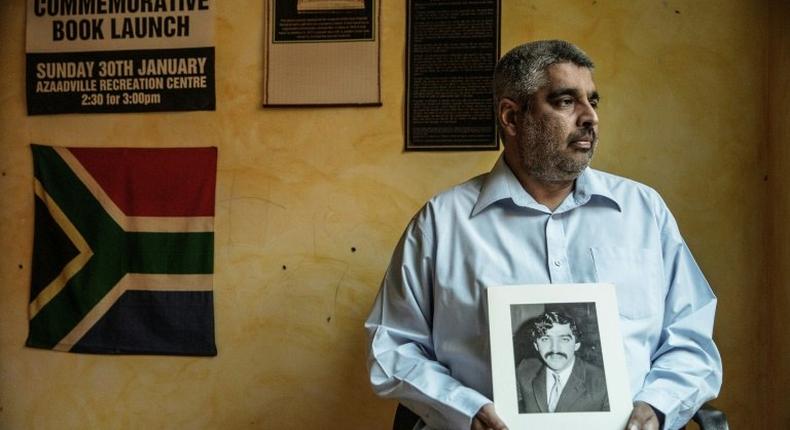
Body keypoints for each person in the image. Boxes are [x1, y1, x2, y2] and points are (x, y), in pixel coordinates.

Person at [365, 40, 722, 430]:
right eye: (566, 101)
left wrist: (656, 408)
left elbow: (692, 341)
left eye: (593, 101)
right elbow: (392, 348)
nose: (590, 118)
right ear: (512, 117)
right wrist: (466, 411)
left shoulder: (644, 211)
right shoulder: (441, 224)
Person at [516, 311, 608, 414]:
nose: (555, 349)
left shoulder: (603, 382)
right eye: (545, 339)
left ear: (576, 344)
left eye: (564, 339)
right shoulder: (523, 371)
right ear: (536, 346)